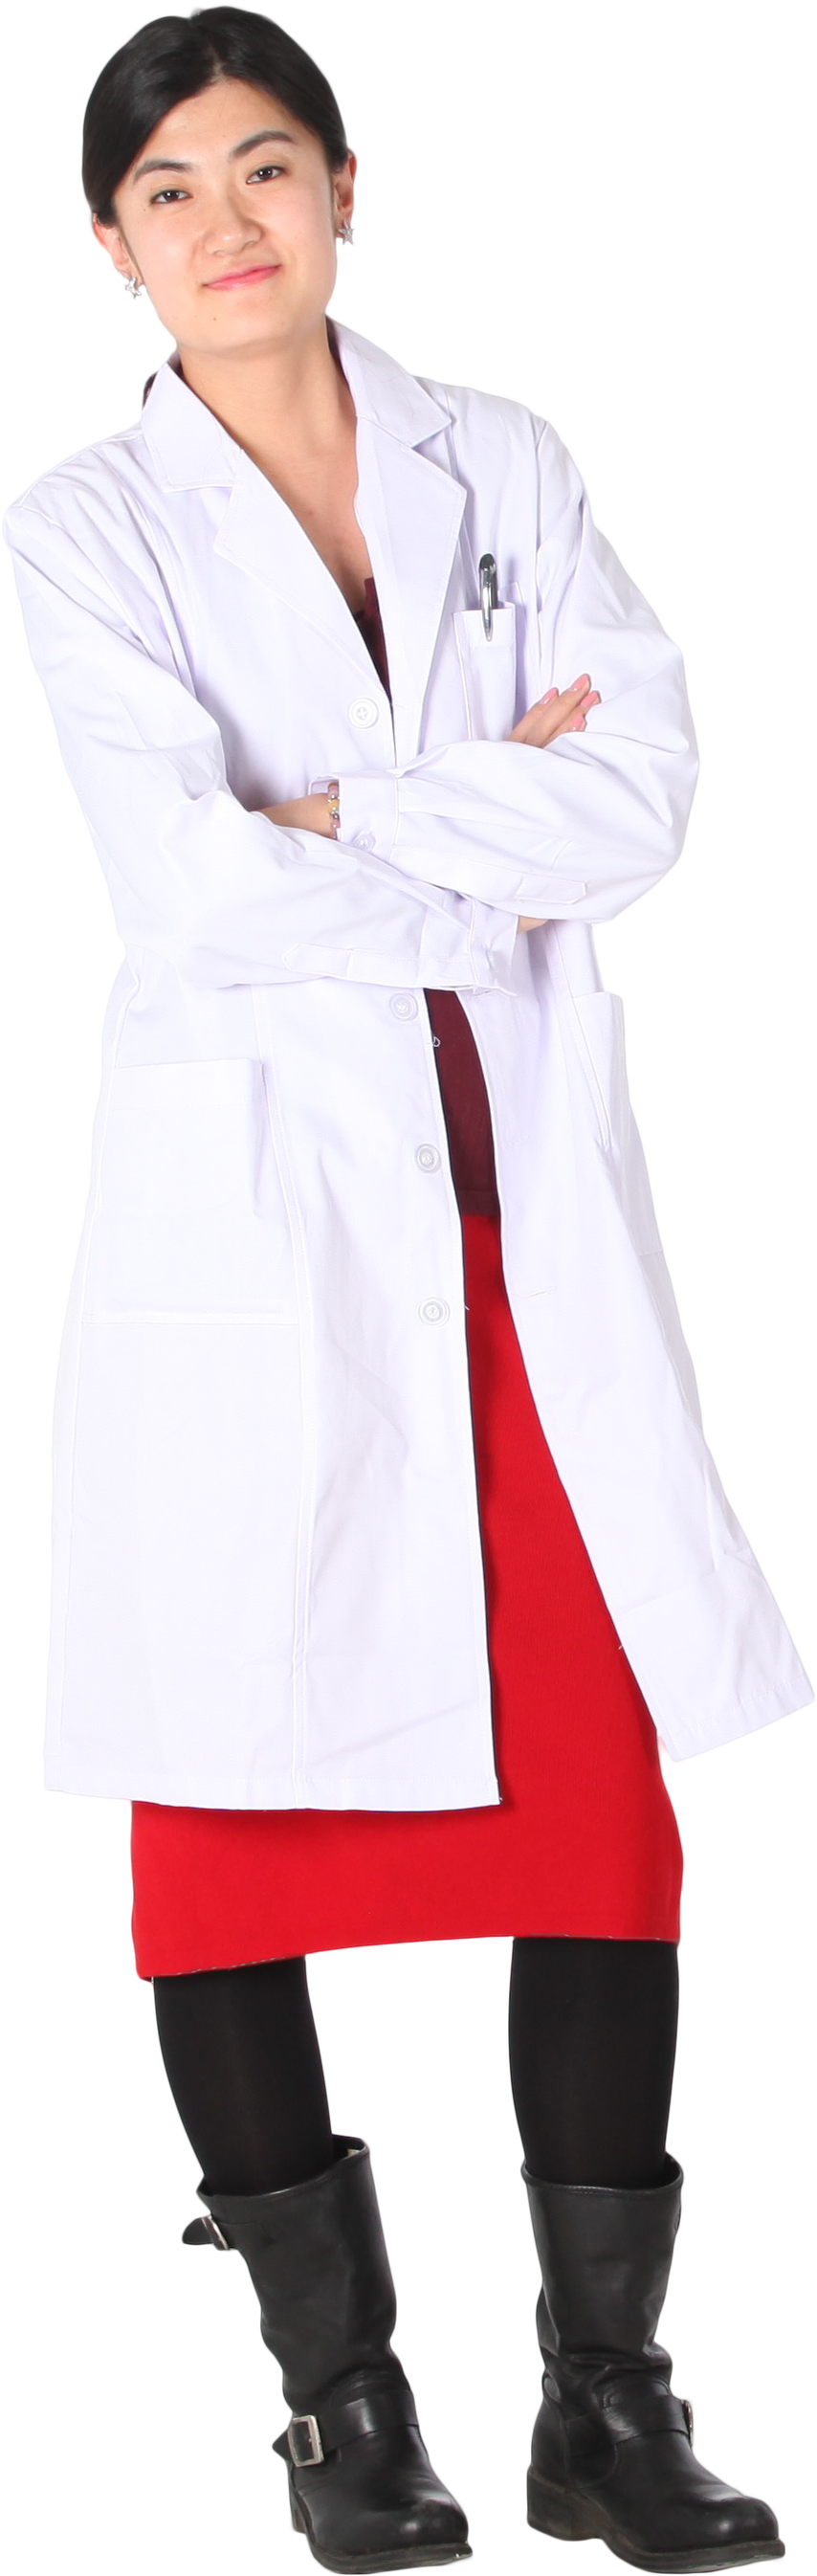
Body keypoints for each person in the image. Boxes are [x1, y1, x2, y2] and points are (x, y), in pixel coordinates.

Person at [3, 9, 806, 2570]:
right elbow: (183, 887)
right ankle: (344, 2417)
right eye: (167, 191)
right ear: (112, 247)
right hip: (260, 1232)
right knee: (224, 1801)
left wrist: (341, 812)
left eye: (265, 167)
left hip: (515, 1207)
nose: (223, 222)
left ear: (347, 187)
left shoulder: (504, 456)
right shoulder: (82, 523)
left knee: (598, 1797)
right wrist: (482, 826)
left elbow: (645, 795)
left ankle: (605, 2408)